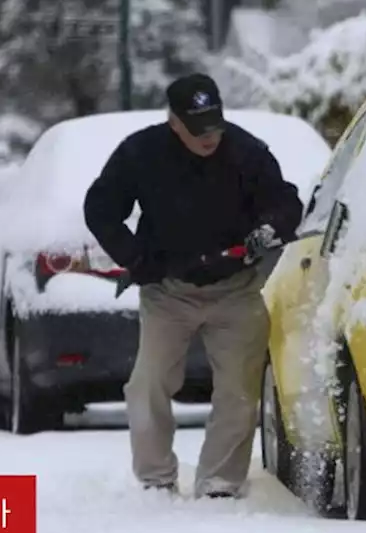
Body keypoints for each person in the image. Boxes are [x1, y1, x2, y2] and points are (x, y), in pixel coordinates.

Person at [83, 73, 303, 499]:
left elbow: (285, 201)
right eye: (198, 128)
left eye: (215, 125)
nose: (210, 137)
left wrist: (269, 228)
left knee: (239, 391)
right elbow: (101, 207)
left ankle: (219, 483)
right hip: (168, 292)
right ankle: (156, 479)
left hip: (236, 289)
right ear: (174, 122)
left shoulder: (247, 152)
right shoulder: (141, 153)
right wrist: (133, 256)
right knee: (148, 384)